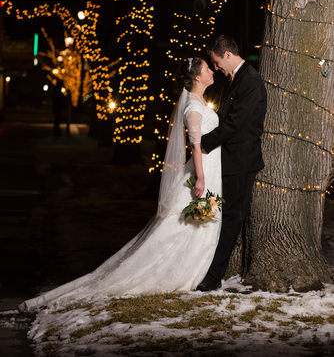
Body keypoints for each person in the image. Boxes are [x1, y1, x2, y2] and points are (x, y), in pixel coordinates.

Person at [19, 57, 222, 312]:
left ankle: (199, 268)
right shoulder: (192, 107)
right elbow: (195, 145)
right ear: (196, 77)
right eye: (206, 69)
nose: (212, 72)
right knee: (182, 225)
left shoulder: (201, 101)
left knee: (196, 225)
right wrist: (201, 178)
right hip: (202, 172)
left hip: (212, 169)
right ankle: (180, 271)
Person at [196, 35, 267, 292]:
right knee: (222, 216)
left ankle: (214, 277)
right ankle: (208, 271)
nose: (216, 68)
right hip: (228, 160)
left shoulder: (250, 82)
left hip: (241, 162)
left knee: (231, 220)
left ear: (227, 54)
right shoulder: (234, 80)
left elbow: (235, 125)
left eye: (216, 62)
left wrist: (204, 143)